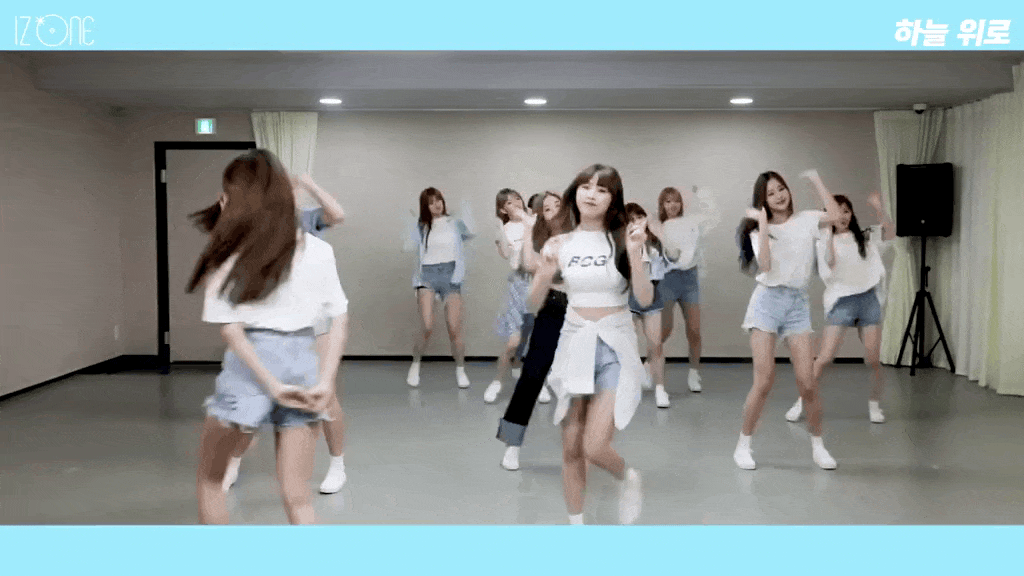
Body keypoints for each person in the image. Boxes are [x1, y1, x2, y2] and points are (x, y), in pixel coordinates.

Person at [186, 149, 348, 524]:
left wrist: (271, 385)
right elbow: (339, 316)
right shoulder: (318, 250)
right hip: (303, 363)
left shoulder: (227, 253)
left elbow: (232, 330)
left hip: (250, 367)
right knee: (298, 497)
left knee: (210, 482)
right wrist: (325, 381)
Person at [219, 174, 350, 495]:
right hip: (270, 325)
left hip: (313, 323)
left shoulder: (307, 223)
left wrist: (309, 183)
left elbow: (337, 214)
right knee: (252, 397)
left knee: (326, 395)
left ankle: (337, 465)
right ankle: (232, 462)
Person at [532, 164, 647, 525]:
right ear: (575, 192)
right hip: (574, 344)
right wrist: (545, 271)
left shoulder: (623, 240)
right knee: (571, 447)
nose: (592, 194)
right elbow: (532, 304)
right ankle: (577, 528)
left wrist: (636, 253)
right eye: (586, 186)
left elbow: (645, 297)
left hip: (614, 347)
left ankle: (627, 475)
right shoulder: (559, 243)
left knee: (594, 446)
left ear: (613, 199)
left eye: (602, 189)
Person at [733, 169, 842, 471]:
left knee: (807, 383)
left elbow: (835, 216)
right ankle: (743, 444)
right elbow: (766, 266)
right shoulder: (759, 231)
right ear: (763, 200)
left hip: (797, 304)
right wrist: (763, 224)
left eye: (781, 188)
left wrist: (817, 180)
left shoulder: (807, 219)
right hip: (767, 303)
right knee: (764, 381)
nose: (779, 196)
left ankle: (818, 447)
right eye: (770, 193)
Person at [785, 191, 896, 424]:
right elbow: (829, 262)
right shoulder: (824, 241)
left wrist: (878, 207)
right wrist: (827, 230)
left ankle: (874, 404)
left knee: (873, 359)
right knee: (824, 358)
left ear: (852, 213)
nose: (843, 216)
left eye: (846, 211)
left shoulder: (864, 237)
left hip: (868, 301)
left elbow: (890, 232)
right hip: (842, 303)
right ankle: (801, 401)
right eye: (837, 212)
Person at [495, 191, 564, 471]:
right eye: (547, 208)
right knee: (532, 374)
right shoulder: (542, 240)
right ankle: (512, 444)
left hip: (583, 311)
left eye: (558, 204)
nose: (554, 210)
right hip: (554, 306)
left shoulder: (583, 236)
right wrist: (527, 229)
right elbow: (528, 264)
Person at [652, 186, 721, 401]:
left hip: (690, 280)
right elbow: (663, 255)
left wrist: (703, 193)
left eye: (676, 201)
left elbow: (714, 216)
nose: (672, 205)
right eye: (668, 201)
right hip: (668, 280)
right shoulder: (659, 227)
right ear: (662, 205)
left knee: (694, 329)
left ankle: (694, 373)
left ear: (681, 203)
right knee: (664, 330)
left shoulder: (691, 222)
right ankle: (647, 365)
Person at [402, 188, 475, 389]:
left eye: (439, 200)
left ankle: (460, 369)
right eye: (431, 202)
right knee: (427, 326)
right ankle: (415, 365)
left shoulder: (454, 223)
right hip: (427, 276)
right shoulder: (422, 226)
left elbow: (470, 233)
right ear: (425, 206)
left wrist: (466, 210)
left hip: (451, 275)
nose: (437, 204)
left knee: (454, 328)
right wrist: (413, 223)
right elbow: (407, 245)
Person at [484, 189, 533, 403]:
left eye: (517, 199)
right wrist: (500, 234)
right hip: (519, 285)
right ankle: (497, 381)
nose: (516, 203)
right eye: (509, 203)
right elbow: (506, 256)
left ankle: (535, 381)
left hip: (541, 283)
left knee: (535, 338)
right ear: (503, 209)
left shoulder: (535, 221)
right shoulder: (505, 229)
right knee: (514, 341)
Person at [623, 203, 669, 408]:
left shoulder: (655, 242)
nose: (636, 223)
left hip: (652, 293)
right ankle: (628, 385)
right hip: (627, 295)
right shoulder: (621, 243)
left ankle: (660, 388)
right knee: (627, 345)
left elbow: (666, 264)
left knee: (655, 344)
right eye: (631, 220)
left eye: (639, 217)